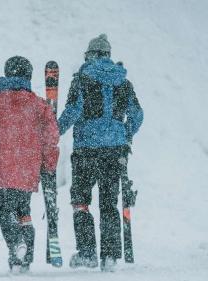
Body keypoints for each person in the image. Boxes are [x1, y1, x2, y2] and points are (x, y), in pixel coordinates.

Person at [57, 34, 144, 271]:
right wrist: (124, 134)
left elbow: (74, 111)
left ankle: (87, 253)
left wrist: (54, 131)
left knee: (81, 201)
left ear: (91, 54)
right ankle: (110, 256)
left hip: (86, 149)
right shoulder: (124, 83)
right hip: (114, 151)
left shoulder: (82, 79)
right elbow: (137, 114)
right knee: (109, 203)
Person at [0, 56, 60, 272]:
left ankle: (16, 245)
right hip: (30, 168)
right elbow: (51, 139)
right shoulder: (40, 105)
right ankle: (23, 261)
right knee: (24, 211)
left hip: (6, 166)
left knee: (5, 213)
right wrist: (49, 167)